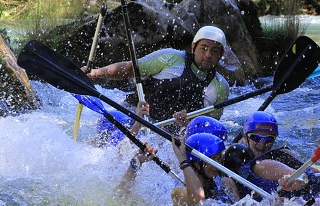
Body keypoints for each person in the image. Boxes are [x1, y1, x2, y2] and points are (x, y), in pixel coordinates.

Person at [85, 25, 230, 133]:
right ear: (193, 47)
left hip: (165, 136)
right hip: (134, 115)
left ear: (221, 54)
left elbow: (209, 128)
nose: (208, 55)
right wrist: (95, 73)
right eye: (203, 48)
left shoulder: (221, 87)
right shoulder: (171, 58)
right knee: (111, 121)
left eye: (215, 50)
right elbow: (129, 69)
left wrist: (189, 124)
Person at [223, 143, 320, 206]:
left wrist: (295, 181)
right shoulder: (238, 187)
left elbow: (305, 176)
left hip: (318, 197)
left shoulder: (261, 166)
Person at [171, 132, 240, 206]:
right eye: (212, 160)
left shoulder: (226, 184)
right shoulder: (179, 192)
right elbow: (198, 199)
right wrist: (183, 161)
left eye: (219, 158)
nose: (217, 164)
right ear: (196, 163)